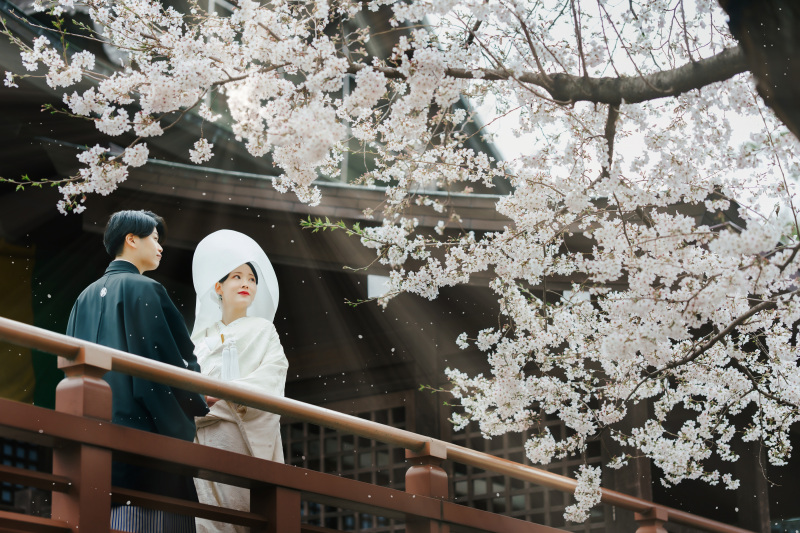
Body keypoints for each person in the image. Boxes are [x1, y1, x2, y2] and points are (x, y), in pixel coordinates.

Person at [66, 210, 208, 533]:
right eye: (154, 239)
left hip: (94, 443)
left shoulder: (82, 298)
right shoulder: (146, 290)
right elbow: (168, 367)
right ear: (131, 240)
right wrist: (197, 400)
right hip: (145, 443)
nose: (160, 248)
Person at [191, 230, 288, 533]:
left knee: (239, 515)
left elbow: (272, 375)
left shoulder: (263, 330)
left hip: (239, 429)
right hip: (203, 432)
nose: (246, 283)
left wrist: (225, 400)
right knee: (206, 516)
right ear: (218, 287)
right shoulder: (198, 339)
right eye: (237, 276)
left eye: (251, 279)